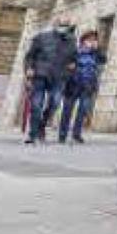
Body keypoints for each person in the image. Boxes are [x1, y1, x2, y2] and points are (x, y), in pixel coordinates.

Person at [23, 15, 77, 145]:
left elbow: (74, 58)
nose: (63, 28)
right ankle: (33, 134)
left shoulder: (71, 41)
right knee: (36, 105)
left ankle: (42, 124)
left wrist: (72, 65)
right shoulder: (42, 37)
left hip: (59, 76)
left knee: (55, 103)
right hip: (40, 74)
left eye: (66, 25)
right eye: (61, 25)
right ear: (55, 24)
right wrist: (29, 69)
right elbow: (30, 56)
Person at [59, 29, 106, 144]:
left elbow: (104, 60)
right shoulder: (75, 51)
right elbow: (64, 64)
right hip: (73, 85)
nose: (92, 42)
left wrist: (98, 49)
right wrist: (68, 68)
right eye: (89, 40)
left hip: (88, 85)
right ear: (83, 41)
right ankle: (62, 134)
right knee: (67, 110)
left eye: (94, 40)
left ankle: (77, 134)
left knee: (82, 111)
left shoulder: (96, 53)